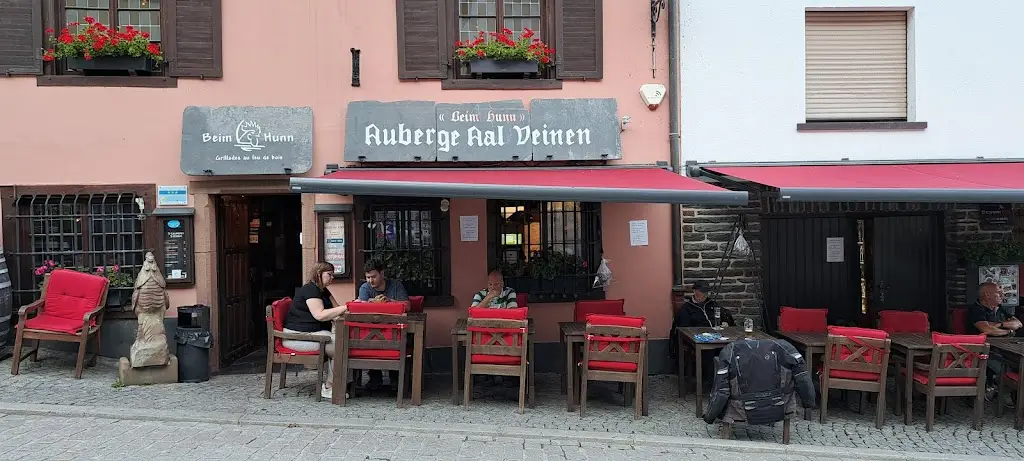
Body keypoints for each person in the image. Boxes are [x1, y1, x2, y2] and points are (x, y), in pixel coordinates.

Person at [283, 261, 349, 399]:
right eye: (329, 275)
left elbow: (336, 310)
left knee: (343, 341)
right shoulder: (310, 290)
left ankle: (341, 382)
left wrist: (349, 310)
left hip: (313, 334)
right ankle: (329, 387)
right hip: (297, 337)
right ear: (319, 274)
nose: (332, 278)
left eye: (332, 275)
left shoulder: (323, 290)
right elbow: (319, 315)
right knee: (340, 345)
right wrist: (346, 307)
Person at [966, 282, 1022, 406]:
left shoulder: (1000, 308)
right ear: (987, 295)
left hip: (1004, 347)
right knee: (1005, 367)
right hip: (982, 351)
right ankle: (1001, 391)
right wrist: (1006, 328)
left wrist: (997, 326)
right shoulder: (975, 309)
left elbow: (1018, 323)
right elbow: (987, 330)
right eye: (998, 292)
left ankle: (1005, 391)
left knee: (1017, 363)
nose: (1002, 294)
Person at [668, 281, 735, 384]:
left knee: (732, 348)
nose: (703, 295)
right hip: (699, 340)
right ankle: (714, 384)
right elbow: (683, 330)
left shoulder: (712, 304)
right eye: (701, 292)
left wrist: (725, 322)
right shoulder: (687, 308)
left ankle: (731, 381)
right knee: (709, 352)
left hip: (719, 337)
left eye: (705, 292)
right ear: (694, 291)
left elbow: (725, 316)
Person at [356, 259, 409, 390]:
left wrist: (390, 301)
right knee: (367, 338)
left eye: (373, 276)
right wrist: (371, 303)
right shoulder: (365, 287)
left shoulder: (395, 285)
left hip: (395, 329)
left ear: (382, 274)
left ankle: (396, 379)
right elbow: (361, 305)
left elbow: (408, 306)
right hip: (371, 329)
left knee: (399, 338)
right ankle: (374, 378)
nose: (370, 280)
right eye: (367, 277)